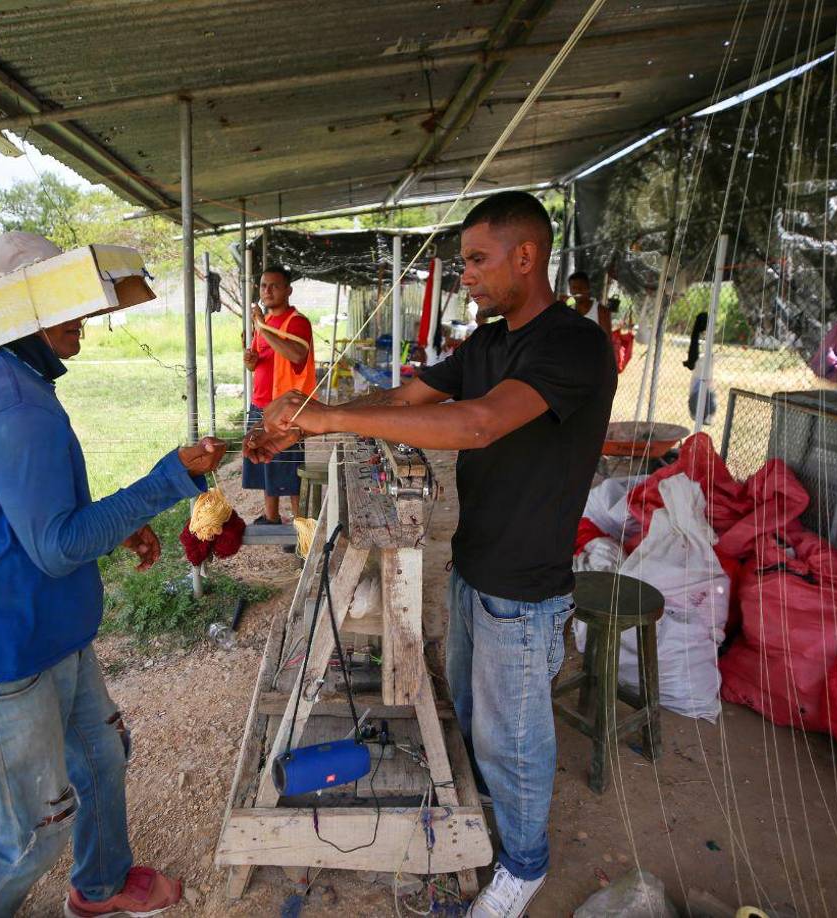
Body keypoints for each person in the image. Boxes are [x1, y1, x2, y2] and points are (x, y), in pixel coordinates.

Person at [245, 192, 616, 918]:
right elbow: (407, 398)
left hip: (526, 585)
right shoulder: (489, 343)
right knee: (476, 717)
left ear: (526, 256)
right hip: (476, 565)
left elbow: (477, 425)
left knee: (513, 738)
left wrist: (329, 416)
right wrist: (309, 421)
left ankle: (525, 866)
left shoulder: (573, 344)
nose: (465, 275)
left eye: (477, 260)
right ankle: (489, 816)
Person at [0, 232, 226, 918]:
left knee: (102, 757)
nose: (84, 314)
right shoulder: (12, 401)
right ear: (18, 309)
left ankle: (101, 887)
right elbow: (55, 546)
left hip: (47, 633)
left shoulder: (9, 378)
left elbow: (33, 516)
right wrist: (168, 479)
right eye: (67, 301)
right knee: (28, 836)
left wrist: (113, 525)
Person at [241, 265, 314, 526]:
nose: (267, 291)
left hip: (286, 408)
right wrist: (251, 361)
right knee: (264, 460)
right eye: (263, 286)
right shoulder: (263, 324)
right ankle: (271, 517)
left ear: (288, 290)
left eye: (274, 286)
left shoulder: (297, 322)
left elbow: (296, 355)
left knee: (290, 470)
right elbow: (256, 361)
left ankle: (300, 526)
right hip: (260, 402)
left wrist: (261, 326)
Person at [568, 270, 612, 337]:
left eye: (581, 287)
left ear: (588, 288)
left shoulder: (601, 311)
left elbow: (607, 339)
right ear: (570, 290)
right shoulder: (568, 309)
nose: (577, 291)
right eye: (574, 288)